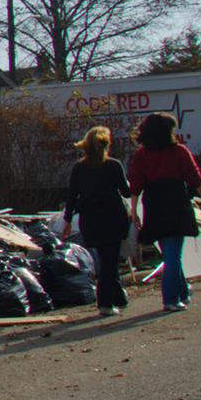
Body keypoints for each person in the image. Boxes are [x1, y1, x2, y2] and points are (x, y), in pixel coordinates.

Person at [127, 112, 201, 312]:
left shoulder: (141, 156)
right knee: (173, 255)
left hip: (154, 206)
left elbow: (135, 184)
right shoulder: (179, 152)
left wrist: (134, 211)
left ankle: (183, 292)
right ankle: (170, 298)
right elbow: (194, 178)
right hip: (176, 204)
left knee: (169, 252)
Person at [61, 126, 133, 316]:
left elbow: (72, 196)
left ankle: (119, 298)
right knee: (109, 262)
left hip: (90, 219)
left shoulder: (79, 168)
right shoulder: (113, 165)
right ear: (106, 145)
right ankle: (105, 304)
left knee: (104, 259)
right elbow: (126, 192)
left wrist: (67, 220)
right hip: (113, 217)